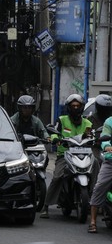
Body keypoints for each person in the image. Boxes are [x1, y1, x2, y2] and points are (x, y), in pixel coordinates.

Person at [41, 94, 94, 218]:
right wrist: (55, 139)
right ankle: (46, 205)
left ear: (81, 107)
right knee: (57, 177)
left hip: (83, 153)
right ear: (69, 107)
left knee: (96, 166)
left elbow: (91, 135)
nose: (75, 108)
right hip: (65, 154)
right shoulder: (62, 119)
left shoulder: (87, 122)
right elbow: (55, 132)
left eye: (78, 105)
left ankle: (95, 200)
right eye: (73, 105)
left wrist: (94, 139)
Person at [88, 95, 112, 233]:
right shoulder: (109, 121)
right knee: (100, 185)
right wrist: (107, 146)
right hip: (110, 160)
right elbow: (105, 137)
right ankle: (92, 221)